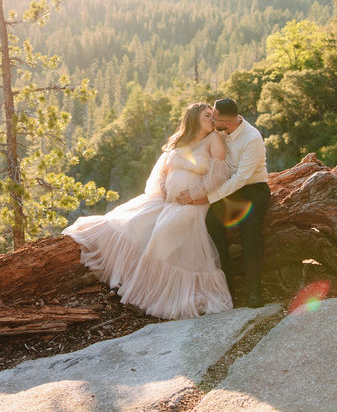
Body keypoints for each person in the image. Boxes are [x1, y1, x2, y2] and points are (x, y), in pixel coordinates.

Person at [62, 102, 233, 320]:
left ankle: (160, 295)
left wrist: (194, 194)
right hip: (168, 202)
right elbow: (162, 170)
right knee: (130, 222)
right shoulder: (180, 141)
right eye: (207, 115)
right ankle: (139, 285)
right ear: (193, 119)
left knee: (163, 231)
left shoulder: (214, 139)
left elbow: (218, 175)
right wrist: (163, 187)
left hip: (193, 204)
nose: (212, 119)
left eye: (213, 115)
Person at [176, 98, 269, 308]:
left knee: (250, 232)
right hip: (230, 189)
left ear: (226, 122)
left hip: (253, 189)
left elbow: (240, 179)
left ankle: (254, 292)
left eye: (214, 118)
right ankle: (226, 286)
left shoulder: (252, 138)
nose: (212, 121)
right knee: (212, 222)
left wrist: (205, 198)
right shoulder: (220, 133)